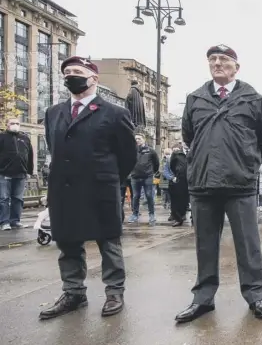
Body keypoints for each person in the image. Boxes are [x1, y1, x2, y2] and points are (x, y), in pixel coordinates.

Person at [175, 44, 262, 323]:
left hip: (239, 183)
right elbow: (188, 136)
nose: (217, 63)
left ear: (236, 67)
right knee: (205, 244)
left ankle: (256, 296)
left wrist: (248, 163)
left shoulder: (253, 99)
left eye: (224, 59)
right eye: (212, 59)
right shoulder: (195, 99)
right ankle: (203, 298)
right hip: (203, 183)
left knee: (248, 244)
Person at [40, 57, 136, 319]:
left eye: (78, 71)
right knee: (68, 243)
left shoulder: (115, 114)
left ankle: (114, 292)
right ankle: (73, 293)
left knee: (108, 243)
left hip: (100, 189)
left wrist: (110, 178)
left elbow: (128, 156)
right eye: (67, 72)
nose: (71, 75)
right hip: (64, 190)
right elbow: (55, 147)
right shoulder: (53, 113)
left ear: (94, 78)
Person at [0, 117, 34, 230]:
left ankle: (15, 221)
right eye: (12, 123)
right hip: (4, 173)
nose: (15, 125)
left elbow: (30, 156)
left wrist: (29, 171)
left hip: (21, 173)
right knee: (4, 198)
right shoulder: (2, 137)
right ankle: (4, 222)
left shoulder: (25, 138)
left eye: (17, 123)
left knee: (18, 199)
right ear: (7, 125)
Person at [127, 134, 159, 226]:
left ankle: (152, 215)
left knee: (149, 195)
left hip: (147, 177)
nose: (137, 140)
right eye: (136, 139)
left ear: (144, 140)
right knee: (136, 196)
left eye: (139, 139)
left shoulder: (151, 151)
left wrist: (151, 172)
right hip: (135, 177)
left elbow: (156, 163)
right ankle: (135, 214)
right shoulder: (132, 151)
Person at [168, 144, 189, 227]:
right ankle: (178, 218)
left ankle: (184, 216)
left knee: (186, 200)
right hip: (180, 179)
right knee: (177, 200)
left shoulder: (193, 152)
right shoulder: (176, 154)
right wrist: (177, 173)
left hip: (190, 179)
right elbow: (172, 166)